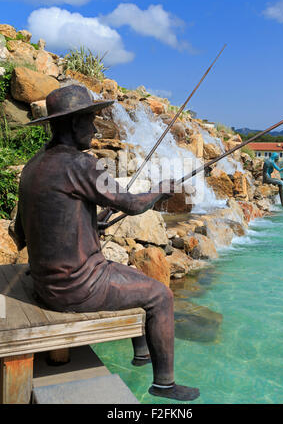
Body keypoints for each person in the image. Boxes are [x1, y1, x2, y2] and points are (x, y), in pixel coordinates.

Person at [9, 85, 199, 402]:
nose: (95, 129)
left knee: (129, 274)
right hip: (76, 288)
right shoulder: (80, 164)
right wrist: (159, 190)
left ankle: (142, 352)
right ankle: (164, 384)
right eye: (89, 121)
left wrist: (87, 221)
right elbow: (133, 204)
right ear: (72, 124)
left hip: (45, 283)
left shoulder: (35, 165)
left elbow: (22, 232)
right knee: (162, 296)